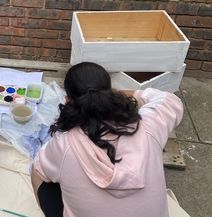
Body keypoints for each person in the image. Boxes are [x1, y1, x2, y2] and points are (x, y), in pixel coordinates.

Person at [30, 61, 183, 217]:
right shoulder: (149, 127)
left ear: (68, 100)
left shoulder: (64, 145)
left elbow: (41, 168)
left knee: (37, 170)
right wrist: (119, 94)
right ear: (111, 92)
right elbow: (170, 100)